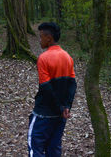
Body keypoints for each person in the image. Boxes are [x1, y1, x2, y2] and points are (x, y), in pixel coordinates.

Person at [28, 22, 77, 157]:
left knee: (35, 148)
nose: (39, 40)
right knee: (54, 148)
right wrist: (66, 106)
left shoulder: (43, 58)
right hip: (60, 116)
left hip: (44, 113)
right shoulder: (68, 57)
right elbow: (72, 85)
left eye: (41, 37)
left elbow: (46, 88)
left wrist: (61, 107)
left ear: (48, 38)